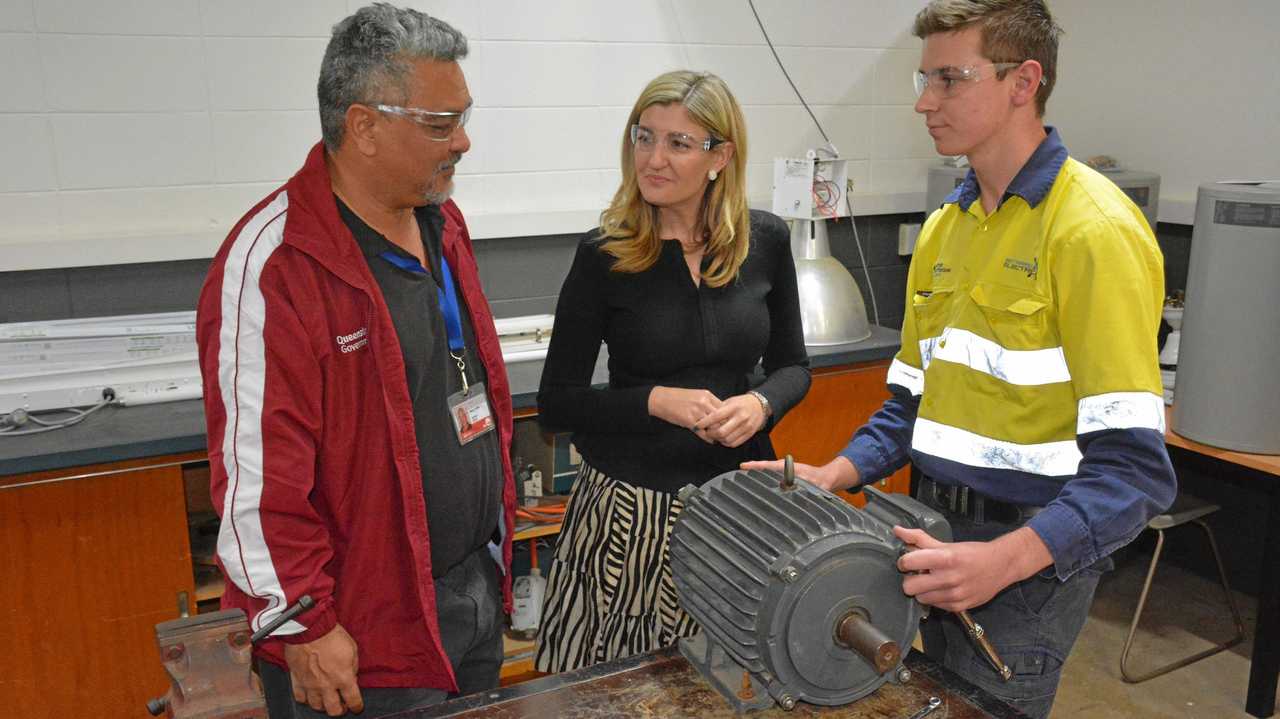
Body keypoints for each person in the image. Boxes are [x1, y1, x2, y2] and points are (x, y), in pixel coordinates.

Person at [745, 2, 1175, 716]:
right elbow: (910, 408)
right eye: (923, 78)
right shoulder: (948, 227)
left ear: (1023, 82)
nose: (923, 103)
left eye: (949, 79)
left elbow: (1133, 472)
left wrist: (1001, 561)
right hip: (928, 539)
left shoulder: (1092, 231)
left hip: (1025, 565)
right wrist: (834, 472)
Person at [196, 5, 515, 717]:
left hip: (468, 594)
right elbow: (255, 479)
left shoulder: (442, 220)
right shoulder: (278, 266)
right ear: (364, 125)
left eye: (463, 116)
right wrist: (302, 621)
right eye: (439, 123)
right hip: (359, 629)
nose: (462, 141)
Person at [532, 70, 811, 673]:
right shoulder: (605, 253)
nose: (653, 159)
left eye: (679, 143)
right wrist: (653, 400)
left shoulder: (764, 240)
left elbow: (793, 367)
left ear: (721, 156)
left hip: (736, 506)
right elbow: (556, 403)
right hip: (628, 516)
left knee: (721, 681)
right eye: (643, 137)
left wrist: (760, 406)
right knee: (614, 689)